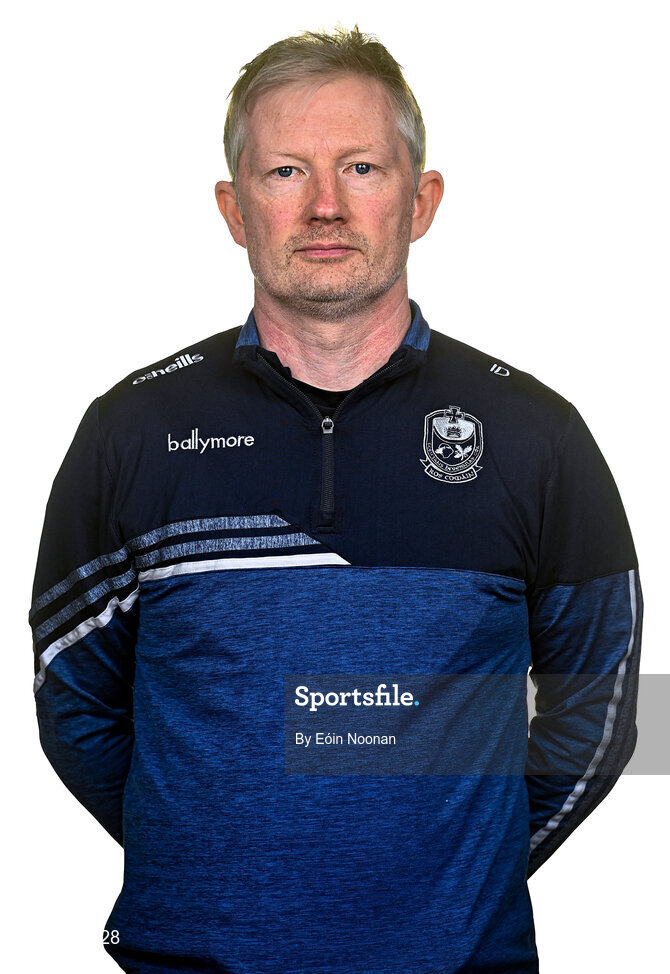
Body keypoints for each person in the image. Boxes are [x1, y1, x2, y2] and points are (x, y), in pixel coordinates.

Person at [29, 25, 642, 974]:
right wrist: (200, 856)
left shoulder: (537, 437)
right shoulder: (131, 431)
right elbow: (74, 703)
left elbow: (599, 707)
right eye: (285, 172)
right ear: (235, 210)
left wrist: (460, 869)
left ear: (421, 201)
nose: (324, 205)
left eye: (361, 167)